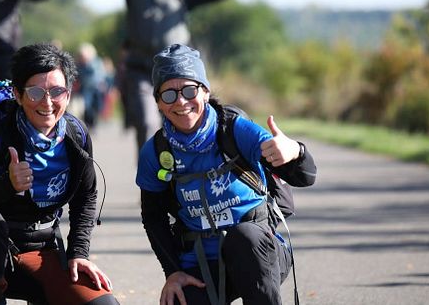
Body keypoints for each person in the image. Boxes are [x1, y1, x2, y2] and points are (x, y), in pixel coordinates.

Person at [72, 0, 280, 150]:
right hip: (141, 69)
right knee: (146, 123)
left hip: (175, 70)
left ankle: (179, 173)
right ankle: (151, 177)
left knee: (181, 123)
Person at [136, 44, 317, 305]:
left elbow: (306, 176)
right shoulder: (155, 152)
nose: (181, 101)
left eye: (190, 90)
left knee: (244, 238)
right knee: (178, 300)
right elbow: (153, 218)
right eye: (169, 95)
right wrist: (173, 272)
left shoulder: (235, 130)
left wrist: (295, 151)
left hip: (260, 253)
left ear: (206, 92)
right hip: (201, 262)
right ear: (158, 103)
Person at [0, 43, 119, 305]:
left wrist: (79, 253)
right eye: (35, 92)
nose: (47, 103)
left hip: (39, 250)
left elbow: (86, 196)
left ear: (68, 94)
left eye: (57, 92)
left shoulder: (75, 134)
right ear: (18, 94)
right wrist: (8, 184)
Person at [76, 42, 110, 130]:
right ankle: (88, 125)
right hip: (85, 89)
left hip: (96, 88)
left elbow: (102, 75)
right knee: (87, 107)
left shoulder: (96, 63)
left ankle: (93, 124)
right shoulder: (79, 65)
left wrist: (103, 84)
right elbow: (78, 76)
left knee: (96, 107)